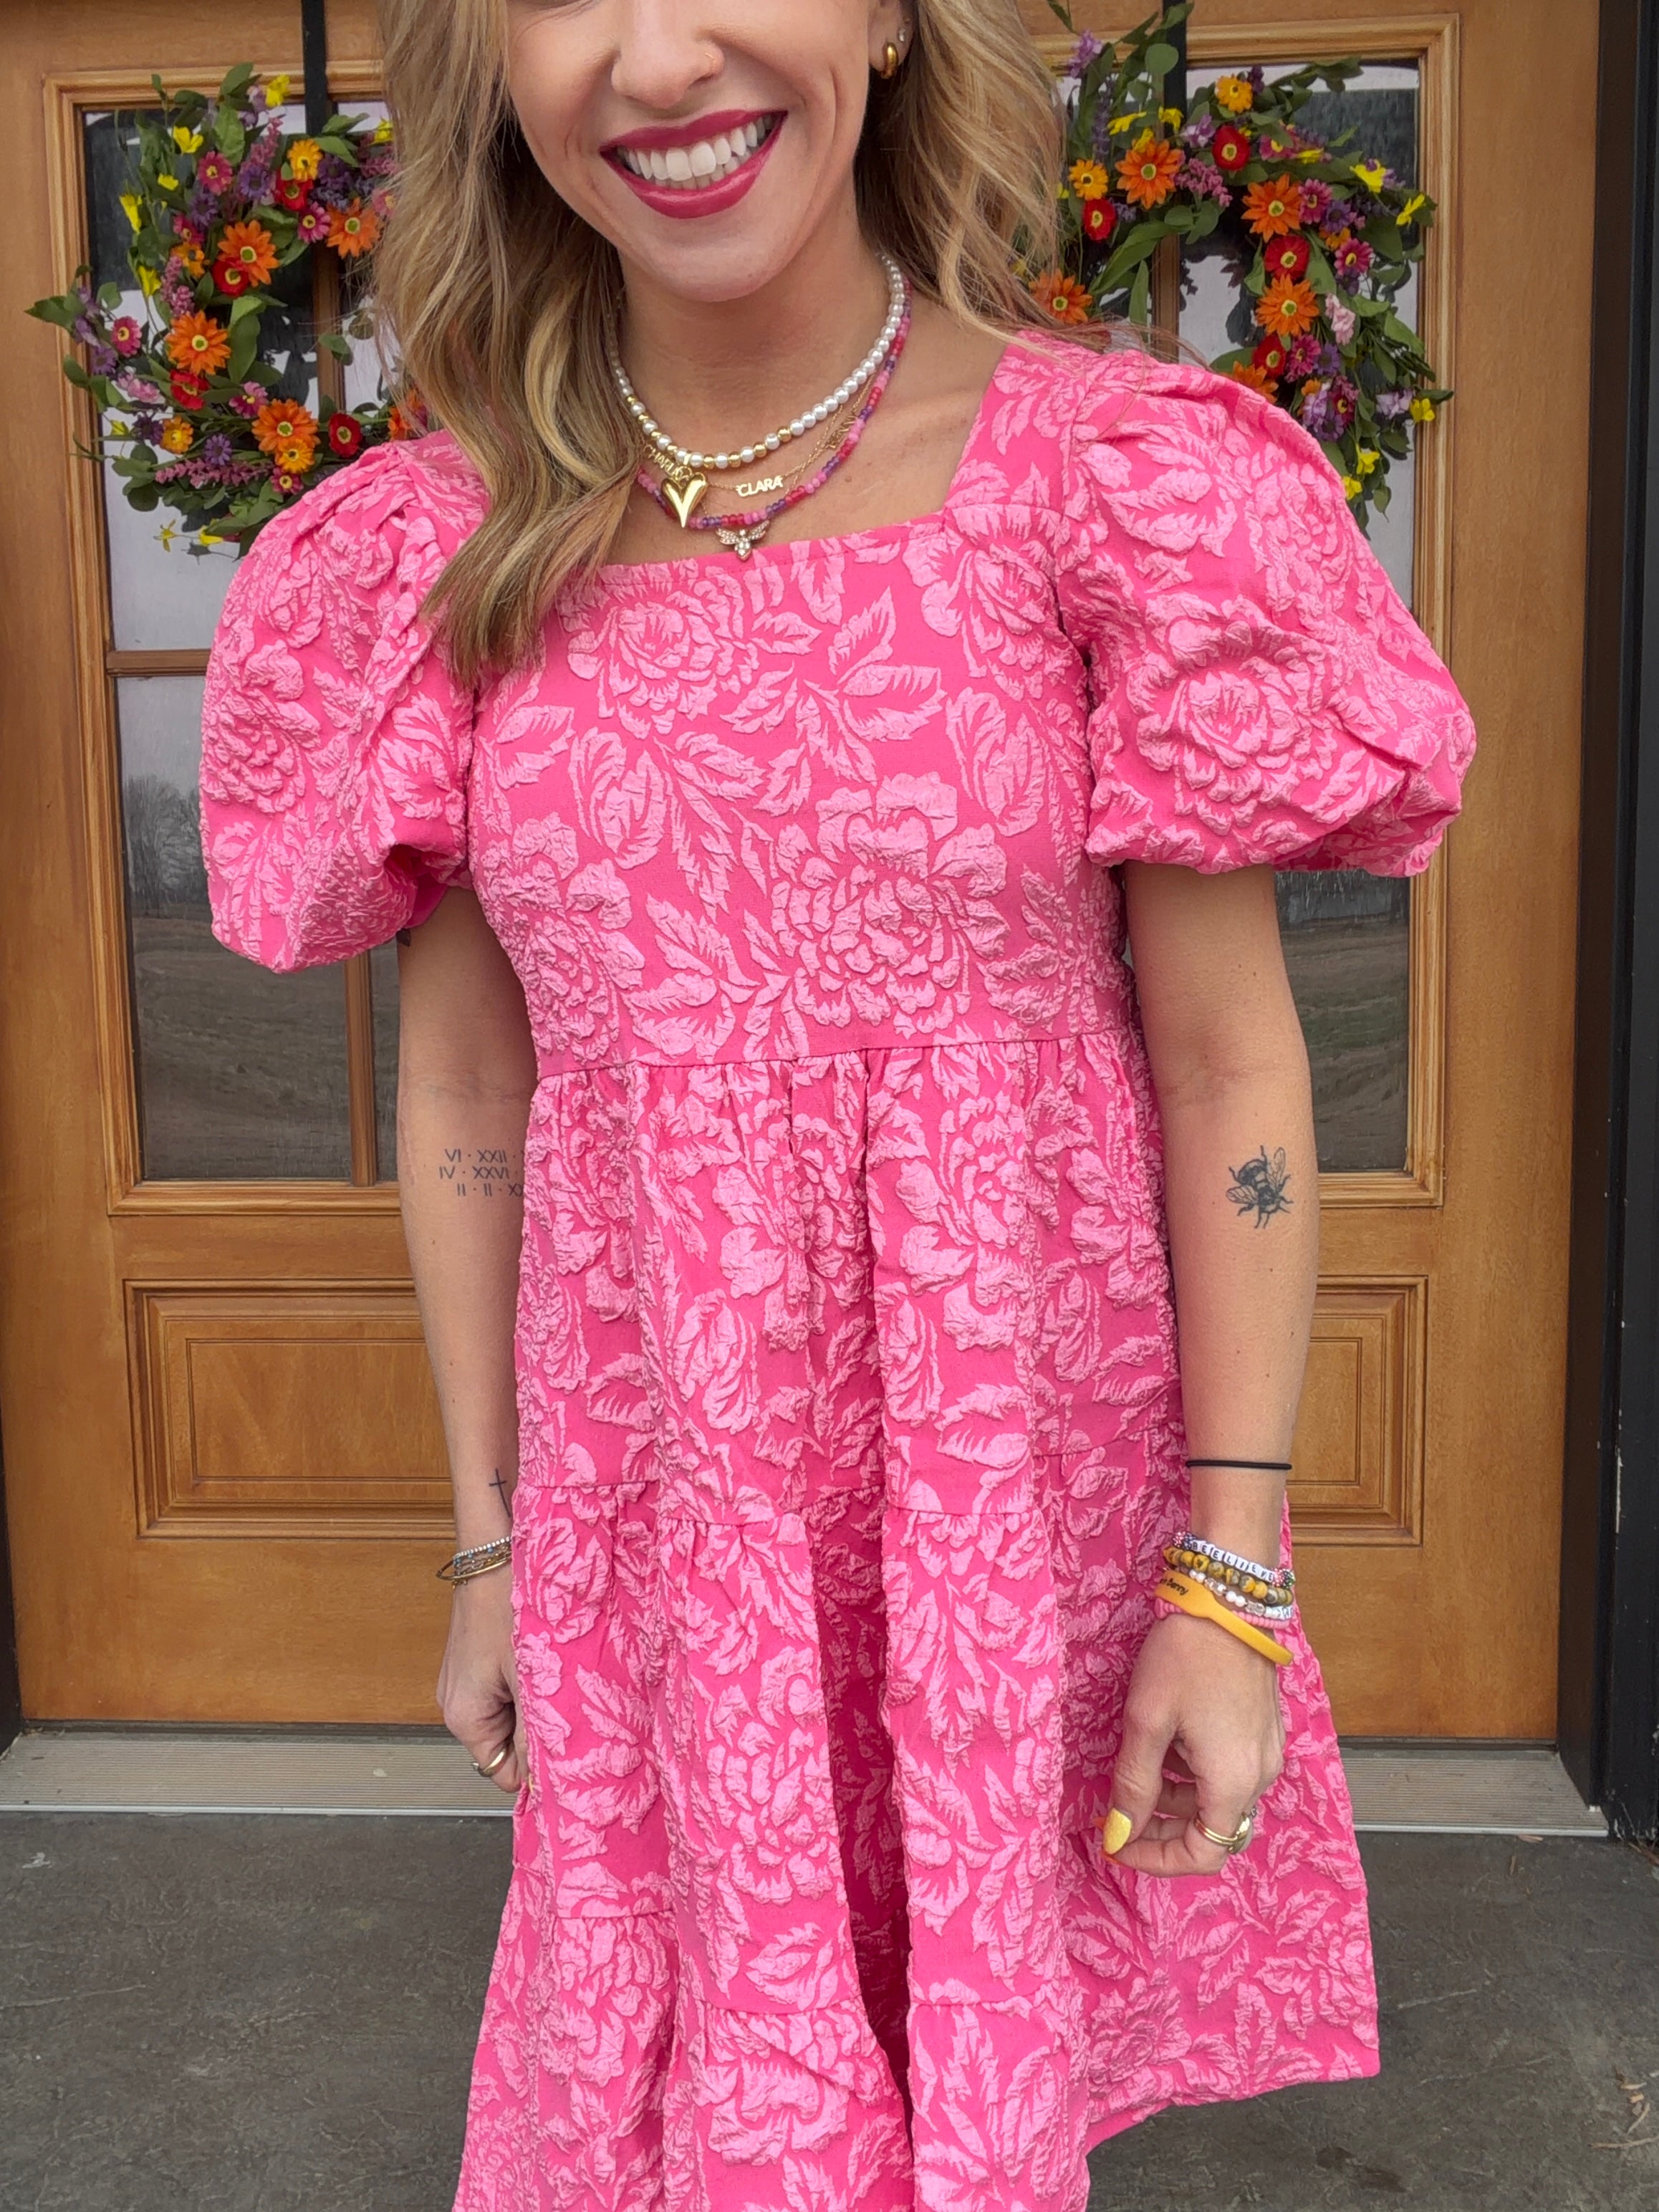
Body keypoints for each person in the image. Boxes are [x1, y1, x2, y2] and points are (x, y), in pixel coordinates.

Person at [198, 1, 1476, 2205]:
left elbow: (1228, 1065)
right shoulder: (445, 549)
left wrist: (1229, 1582)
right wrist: (493, 1545)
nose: (655, 58)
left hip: (1006, 1511)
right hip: (665, 1525)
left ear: (884, 18)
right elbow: (470, 1085)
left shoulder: (1112, 484)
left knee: (966, 2081)